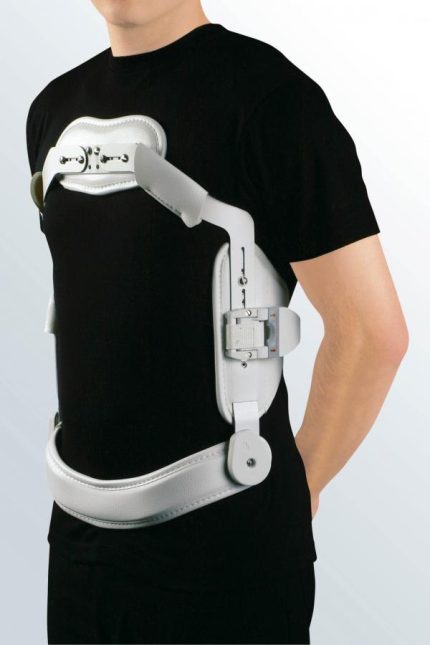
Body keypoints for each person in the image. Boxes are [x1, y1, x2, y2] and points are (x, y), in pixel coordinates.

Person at [25, 1, 408, 643]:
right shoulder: (53, 111)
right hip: (79, 548)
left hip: (230, 552)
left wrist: (299, 486)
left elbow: (373, 334)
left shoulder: (272, 100)